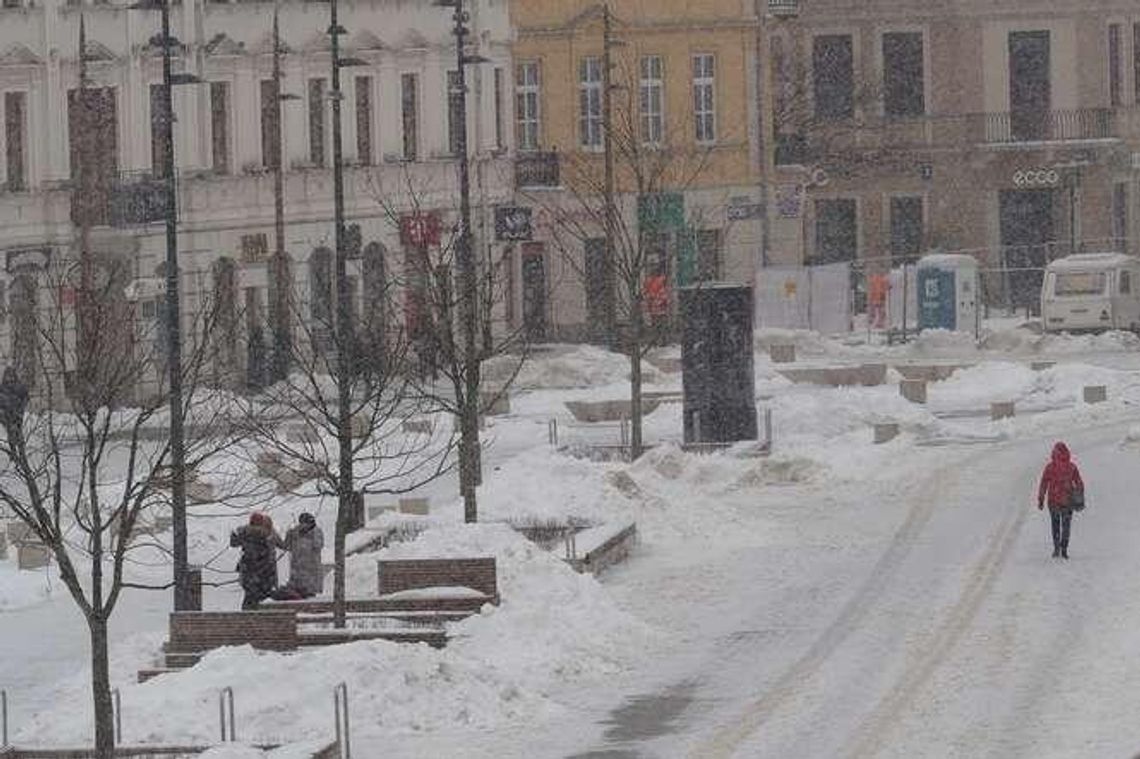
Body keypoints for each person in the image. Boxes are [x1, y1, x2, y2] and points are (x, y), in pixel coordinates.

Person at [1037, 442, 1084, 560]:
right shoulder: (1071, 467)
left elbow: (1043, 483)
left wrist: (1041, 499)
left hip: (1053, 502)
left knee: (1055, 524)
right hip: (1067, 501)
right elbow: (1079, 483)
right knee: (1066, 525)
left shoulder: (1050, 467)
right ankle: (1064, 549)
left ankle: (1056, 547)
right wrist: (1079, 495)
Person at [230, 512, 283, 609]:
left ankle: (248, 615)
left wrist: (233, 534)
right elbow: (281, 545)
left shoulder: (244, 532)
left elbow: (233, 543)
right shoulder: (267, 533)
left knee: (250, 595)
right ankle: (259, 616)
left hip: (248, 570)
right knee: (263, 595)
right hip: (265, 570)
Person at [275, 512, 325, 600]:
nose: (304, 526)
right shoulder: (294, 533)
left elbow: (317, 546)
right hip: (297, 571)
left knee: (310, 596)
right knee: (298, 596)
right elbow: (286, 546)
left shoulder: (316, 533)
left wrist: (303, 538)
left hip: (311, 571)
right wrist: (288, 535)